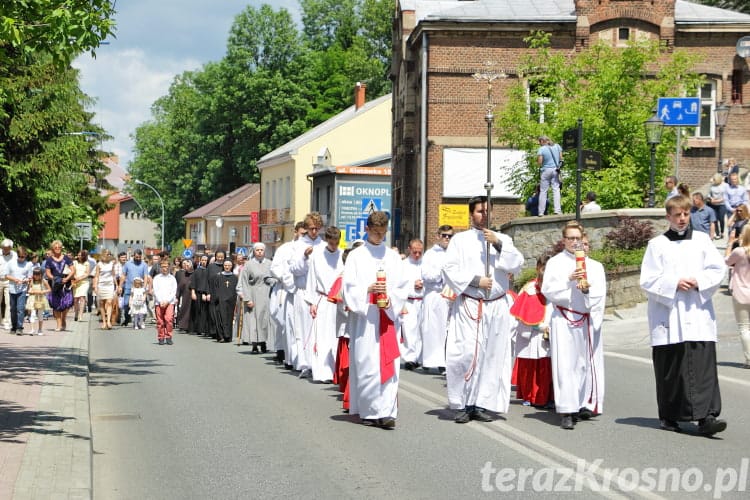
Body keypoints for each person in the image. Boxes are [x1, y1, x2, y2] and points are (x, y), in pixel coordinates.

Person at [640, 195, 727, 435]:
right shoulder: (656, 245)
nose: (682, 219)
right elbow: (647, 280)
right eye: (677, 215)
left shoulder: (702, 240)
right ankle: (670, 415)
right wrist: (674, 283)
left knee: (703, 366)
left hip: (697, 314)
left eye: (686, 214)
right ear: (668, 217)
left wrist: (698, 281)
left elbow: (717, 269)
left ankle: (707, 417)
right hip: (669, 315)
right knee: (672, 368)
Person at [443, 196, 524, 423]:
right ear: (471, 214)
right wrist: (476, 280)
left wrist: (497, 243)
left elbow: (517, 263)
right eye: (479, 211)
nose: (484, 215)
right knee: (466, 354)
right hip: (471, 304)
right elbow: (449, 269)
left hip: (496, 305)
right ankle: (461, 403)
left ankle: (482, 403)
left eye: (487, 211)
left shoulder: (503, 239)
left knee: (491, 356)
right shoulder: (460, 240)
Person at [343, 211, 410, 428]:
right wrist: (368, 289)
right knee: (368, 364)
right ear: (367, 229)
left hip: (388, 318)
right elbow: (348, 288)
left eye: (382, 233)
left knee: (389, 364)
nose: (379, 237)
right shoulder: (356, 256)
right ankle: (370, 411)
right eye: (375, 233)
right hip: (367, 319)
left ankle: (388, 411)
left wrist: (391, 298)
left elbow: (402, 286)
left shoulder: (392, 257)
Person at [541, 221, 607, 430]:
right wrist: (568, 280)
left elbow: (600, 295)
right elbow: (548, 290)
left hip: (585, 319)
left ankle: (581, 403)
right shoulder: (555, 263)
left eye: (578, 238)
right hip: (563, 319)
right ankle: (566, 410)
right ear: (564, 240)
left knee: (582, 364)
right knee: (565, 365)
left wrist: (587, 291)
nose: (575, 242)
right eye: (570, 238)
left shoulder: (595, 266)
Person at [510, 252, 553, 408]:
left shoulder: (556, 287)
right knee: (531, 368)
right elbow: (521, 314)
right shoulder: (529, 289)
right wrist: (537, 326)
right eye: (543, 269)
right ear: (538, 268)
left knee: (548, 367)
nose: (546, 272)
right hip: (532, 334)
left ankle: (548, 397)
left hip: (551, 333)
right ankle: (531, 395)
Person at [304, 227, 345, 382]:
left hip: (339, 301)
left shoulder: (343, 256)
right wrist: (312, 302)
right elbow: (312, 279)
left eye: (336, 242)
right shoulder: (317, 256)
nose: (334, 246)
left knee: (337, 337)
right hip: (323, 299)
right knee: (321, 337)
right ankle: (322, 372)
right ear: (327, 240)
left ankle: (337, 371)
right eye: (332, 242)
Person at [290, 212, 326, 376]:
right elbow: (294, 269)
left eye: (317, 229)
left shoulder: (323, 245)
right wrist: (304, 257)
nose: (314, 232)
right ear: (305, 228)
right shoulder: (298, 245)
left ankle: (319, 362)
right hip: (303, 290)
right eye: (311, 228)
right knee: (303, 329)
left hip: (318, 293)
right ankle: (305, 363)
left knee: (319, 329)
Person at [270, 222, 307, 367]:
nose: (305, 236)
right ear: (296, 232)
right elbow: (275, 268)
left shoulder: (311, 249)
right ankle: (286, 353)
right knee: (285, 323)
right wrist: (287, 280)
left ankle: (299, 357)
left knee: (300, 325)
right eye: (302, 233)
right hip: (285, 289)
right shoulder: (285, 249)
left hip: (303, 291)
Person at [420, 225, 454, 373]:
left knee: (447, 329)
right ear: (438, 236)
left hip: (450, 295)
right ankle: (429, 360)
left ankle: (444, 361)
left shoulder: (454, 253)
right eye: (444, 235)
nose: (447, 238)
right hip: (434, 294)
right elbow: (426, 275)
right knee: (432, 328)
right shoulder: (430, 254)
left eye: (450, 236)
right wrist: (442, 272)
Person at [240, 242, 274, 353]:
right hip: (253, 293)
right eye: (257, 250)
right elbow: (244, 282)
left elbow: (274, 277)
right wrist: (247, 298)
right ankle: (254, 344)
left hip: (267, 294)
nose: (259, 252)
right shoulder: (248, 264)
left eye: (261, 250)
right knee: (253, 319)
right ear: (254, 251)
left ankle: (264, 342)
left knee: (265, 320)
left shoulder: (270, 263)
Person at [725, 224, 750, 369]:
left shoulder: (740, 252)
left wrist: (730, 242)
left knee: (744, 328)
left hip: (741, 293)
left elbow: (726, 261)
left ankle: (749, 359)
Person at [400, 238, 424, 370]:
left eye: (420, 252)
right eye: (415, 252)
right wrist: (412, 285)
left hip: (422, 300)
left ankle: (419, 357)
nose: (417, 255)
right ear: (409, 249)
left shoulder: (425, 264)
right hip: (408, 300)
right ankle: (409, 358)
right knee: (409, 329)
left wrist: (423, 284)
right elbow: (399, 284)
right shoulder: (403, 265)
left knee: (421, 330)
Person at [45, 240, 74, 331]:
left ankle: (63, 318)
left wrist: (67, 278)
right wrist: (54, 278)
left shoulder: (66, 258)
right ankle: (58, 324)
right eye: (55, 247)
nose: (57, 249)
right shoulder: (49, 260)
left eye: (59, 247)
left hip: (66, 283)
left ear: (61, 248)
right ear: (53, 249)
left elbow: (73, 270)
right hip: (55, 284)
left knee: (66, 304)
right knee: (56, 304)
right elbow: (48, 273)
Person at [6, 246, 33, 334]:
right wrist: (14, 280)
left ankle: (19, 327)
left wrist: (26, 280)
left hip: (22, 289)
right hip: (12, 289)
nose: (21, 258)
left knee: (20, 309)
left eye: (23, 257)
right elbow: (6, 275)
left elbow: (30, 277)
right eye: (19, 256)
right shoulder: (11, 263)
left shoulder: (28, 264)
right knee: (13, 309)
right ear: (17, 255)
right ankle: (14, 327)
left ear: (25, 256)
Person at [119, 249, 149, 327]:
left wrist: (144, 287)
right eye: (136, 257)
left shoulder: (144, 265)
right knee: (126, 304)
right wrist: (120, 286)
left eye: (139, 257)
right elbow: (123, 275)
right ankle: (127, 318)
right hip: (128, 287)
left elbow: (146, 276)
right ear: (133, 256)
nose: (138, 258)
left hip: (139, 289)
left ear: (141, 256)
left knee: (139, 304)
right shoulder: (127, 264)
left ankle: (139, 321)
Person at [152, 260, 178, 345]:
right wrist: (160, 301)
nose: (165, 268)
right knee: (160, 321)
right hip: (159, 302)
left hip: (169, 302)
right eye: (163, 267)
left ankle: (168, 336)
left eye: (166, 267)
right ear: (160, 268)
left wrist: (167, 301)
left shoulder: (172, 278)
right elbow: (155, 290)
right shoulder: (157, 278)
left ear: (169, 267)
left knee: (169, 319)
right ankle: (161, 337)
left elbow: (173, 291)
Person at [212, 259, 237, 343]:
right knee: (220, 318)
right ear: (223, 266)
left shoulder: (234, 277)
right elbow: (214, 288)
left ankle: (228, 336)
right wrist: (216, 298)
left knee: (229, 318)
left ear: (231, 266)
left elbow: (236, 289)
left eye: (229, 265)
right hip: (220, 300)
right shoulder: (218, 276)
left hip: (231, 301)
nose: (227, 267)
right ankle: (221, 336)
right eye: (225, 265)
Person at [537, 136, 563, 216]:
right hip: (555, 170)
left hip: (546, 171)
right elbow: (561, 159)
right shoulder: (557, 146)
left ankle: (541, 212)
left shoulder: (542, 149)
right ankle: (557, 210)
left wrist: (539, 164)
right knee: (556, 190)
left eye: (539, 142)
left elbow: (540, 162)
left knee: (543, 191)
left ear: (542, 141)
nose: (539, 144)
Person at [93, 249, 117, 330]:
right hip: (101, 285)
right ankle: (104, 321)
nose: (108, 255)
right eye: (107, 254)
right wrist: (95, 286)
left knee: (109, 302)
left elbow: (113, 275)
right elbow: (96, 276)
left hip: (110, 285)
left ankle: (108, 321)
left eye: (109, 254)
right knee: (102, 303)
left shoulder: (112, 264)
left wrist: (117, 286)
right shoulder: (99, 264)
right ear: (103, 254)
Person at [189, 254, 210, 335]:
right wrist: (193, 292)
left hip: (205, 294)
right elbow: (193, 282)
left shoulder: (208, 270)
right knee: (196, 311)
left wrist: (207, 293)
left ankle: (203, 329)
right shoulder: (197, 271)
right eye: (203, 260)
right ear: (200, 261)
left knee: (204, 312)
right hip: (197, 293)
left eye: (205, 260)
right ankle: (195, 328)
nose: (204, 262)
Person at [26, 267, 50, 335]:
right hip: (33, 299)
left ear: (41, 275)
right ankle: (32, 329)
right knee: (32, 314)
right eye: (35, 274)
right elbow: (28, 290)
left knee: (40, 315)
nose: (36, 276)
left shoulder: (43, 281)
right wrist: (31, 291)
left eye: (38, 275)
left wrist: (42, 291)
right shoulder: (32, 281)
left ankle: (40, 329)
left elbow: (49, 289)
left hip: (40, 299)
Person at [0, 239, 17, 330]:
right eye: (4, 248)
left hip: (9, 280)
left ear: (11, 248)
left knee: (8, 302)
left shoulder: (14, 255)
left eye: (8, 248)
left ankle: (7, 322)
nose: (6, 250)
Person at [707, 172, 728, 240]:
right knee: (714, 219)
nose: (714, 181)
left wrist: (717, 201)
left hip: (722, 205)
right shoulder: (712, 185)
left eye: (715, 180)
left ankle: (722, 231)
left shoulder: (725, 186)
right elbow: (709, 194)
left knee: (721, 218)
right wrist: (711, 198)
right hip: (713, 205)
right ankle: (717, 233)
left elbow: (725, 197)